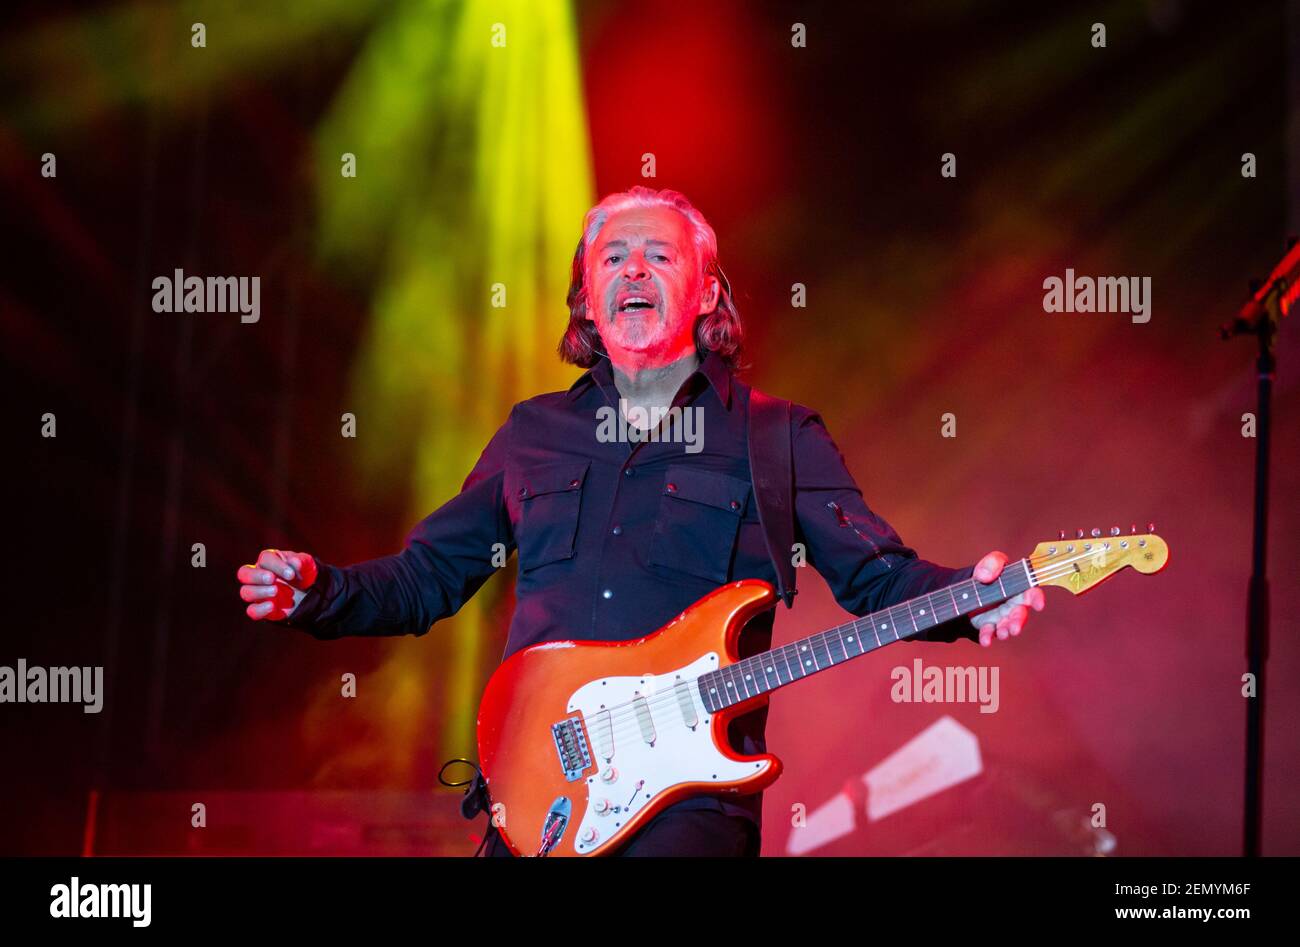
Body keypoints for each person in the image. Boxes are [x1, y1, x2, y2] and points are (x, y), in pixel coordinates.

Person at [235, 186, 1045, 857]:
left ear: (706, 291)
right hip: (536, 797)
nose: (633, 269)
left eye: (660, 255)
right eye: (612, 257)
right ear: (588, 295)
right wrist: (319, 591)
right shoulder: (533, 432)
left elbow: (878, 575)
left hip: (685, 808)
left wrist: (971, 597)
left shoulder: (775, 436)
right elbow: (426, 578)